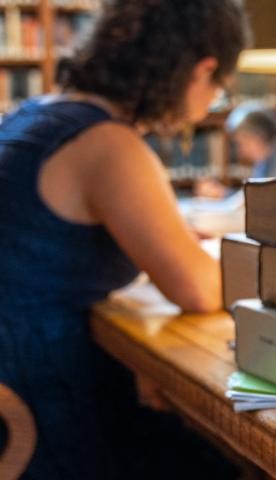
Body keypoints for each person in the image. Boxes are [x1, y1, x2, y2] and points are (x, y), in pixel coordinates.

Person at [0, 1, 249, 478]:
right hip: (38, 407)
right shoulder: (108, 145)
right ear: (203, 70)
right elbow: (199, 290)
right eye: (218, 91)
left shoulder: (33, 115)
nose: (209, 104)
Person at [194, 102, 276, 198]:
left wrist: (222, 194)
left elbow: (274, 200)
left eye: (241, 143)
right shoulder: (265, 158)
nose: (241, 152)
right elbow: (259, 197)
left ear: (257, 138)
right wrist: (222, 193)